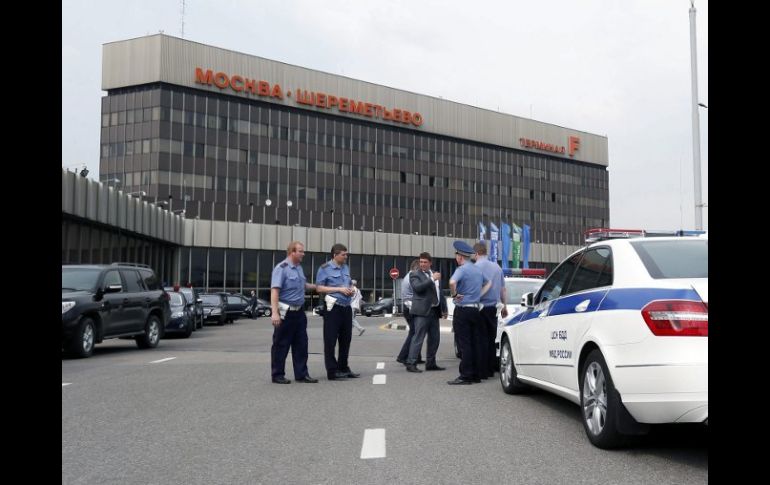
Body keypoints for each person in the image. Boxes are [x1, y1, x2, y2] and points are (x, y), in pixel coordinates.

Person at [269, 241, 318, 384]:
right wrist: (275, 313)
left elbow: (304, 285)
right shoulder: (281, 268)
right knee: (281, 345)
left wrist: (317, 286)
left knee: (301, 344)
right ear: (292, 252)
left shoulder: (299, 268)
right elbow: (275, 291)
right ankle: (277, 375)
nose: (303, 254)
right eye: (301, 251)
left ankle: (302, 374)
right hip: (286, 313)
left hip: (299, 313)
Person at [447, 240, 491, 385]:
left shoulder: (461, 269)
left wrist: (454, 295)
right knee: (474, 342)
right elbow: (488, 283)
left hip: (463, 310)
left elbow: (452, 282)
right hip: (475, 310)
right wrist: (479, 294)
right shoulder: (477, 269)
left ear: (460, 257)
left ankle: (465, 375)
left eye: (456, 256)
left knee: (464, 344)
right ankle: (475, 375)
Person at [316, 243, 358, 380]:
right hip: (332, 307)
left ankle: (343, 367)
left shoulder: (346, 267)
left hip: (346, 307)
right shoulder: (324, 268)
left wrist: (351, 289)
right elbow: (319, 288)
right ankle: (332, 371)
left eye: (346, 254)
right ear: (335, 255)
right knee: (330, 340)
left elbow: (348, 283)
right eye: (343, 254)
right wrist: (339, 289)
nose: (346, 257)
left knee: (346, 339)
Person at [404, 252, 447, 373]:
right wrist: (432, 279)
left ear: (430, 263)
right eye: (421, 262)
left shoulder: (435, 274)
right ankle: (411, 363)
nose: (422, 264)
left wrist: (444, 309)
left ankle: (431, 363)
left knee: (435, 338)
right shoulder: (414, 274)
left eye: (425, 262)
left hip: (434, 311)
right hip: (422, 311)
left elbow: (440, 292)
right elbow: (418, 288)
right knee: (418, 337)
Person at [472, 242, 508, 378]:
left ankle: (482, 371)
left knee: (480, 339)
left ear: (476, 254)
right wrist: (504, 306)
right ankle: (491, 369)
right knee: (491, 339)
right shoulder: (497, 268)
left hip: (479, 308)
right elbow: (503, 289)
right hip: (493, 309)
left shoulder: (474, 268)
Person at [396, 259, 423, 365]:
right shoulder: (413, 277)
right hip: (411, 308)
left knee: (416, 332)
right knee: (414, 333)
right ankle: (402, 356)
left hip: (409, 307)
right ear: (417, 268)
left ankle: (416, 357)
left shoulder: (409, 276)